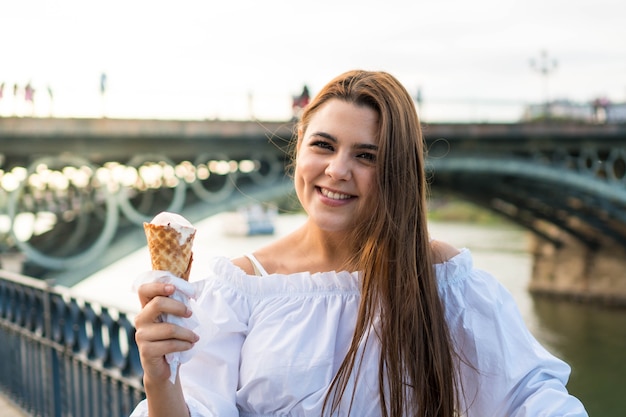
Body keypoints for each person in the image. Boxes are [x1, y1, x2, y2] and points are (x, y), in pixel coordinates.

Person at [131, 70, 588, 416]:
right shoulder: (242, 289)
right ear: (300, 146)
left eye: (366, 155)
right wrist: (159, 375)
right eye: (324, 146)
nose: (337, 170)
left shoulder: (441, 278)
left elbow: (529, 395)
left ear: (396, 169)